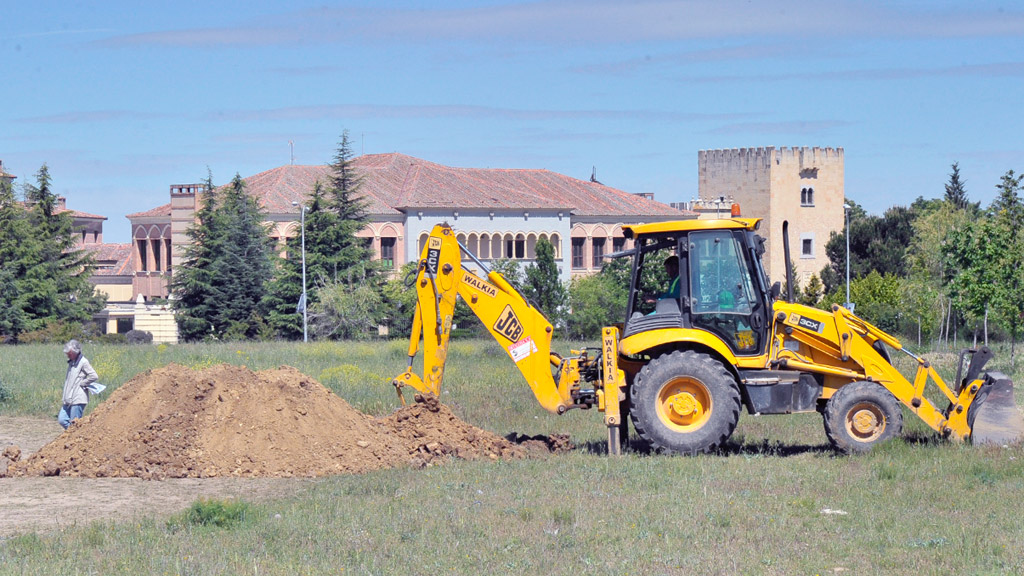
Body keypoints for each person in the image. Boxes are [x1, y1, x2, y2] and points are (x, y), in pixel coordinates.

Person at [58, 339, 98, 430]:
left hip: (78, 398)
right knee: (62, 419)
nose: (68, 355)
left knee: (74, 422)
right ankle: (73, 435)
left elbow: (94, 375)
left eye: (70, 353)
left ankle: (75, 437)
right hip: (68, 398)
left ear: (76, 352)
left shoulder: (83, 362)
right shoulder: (71, 362)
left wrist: (83, 383)